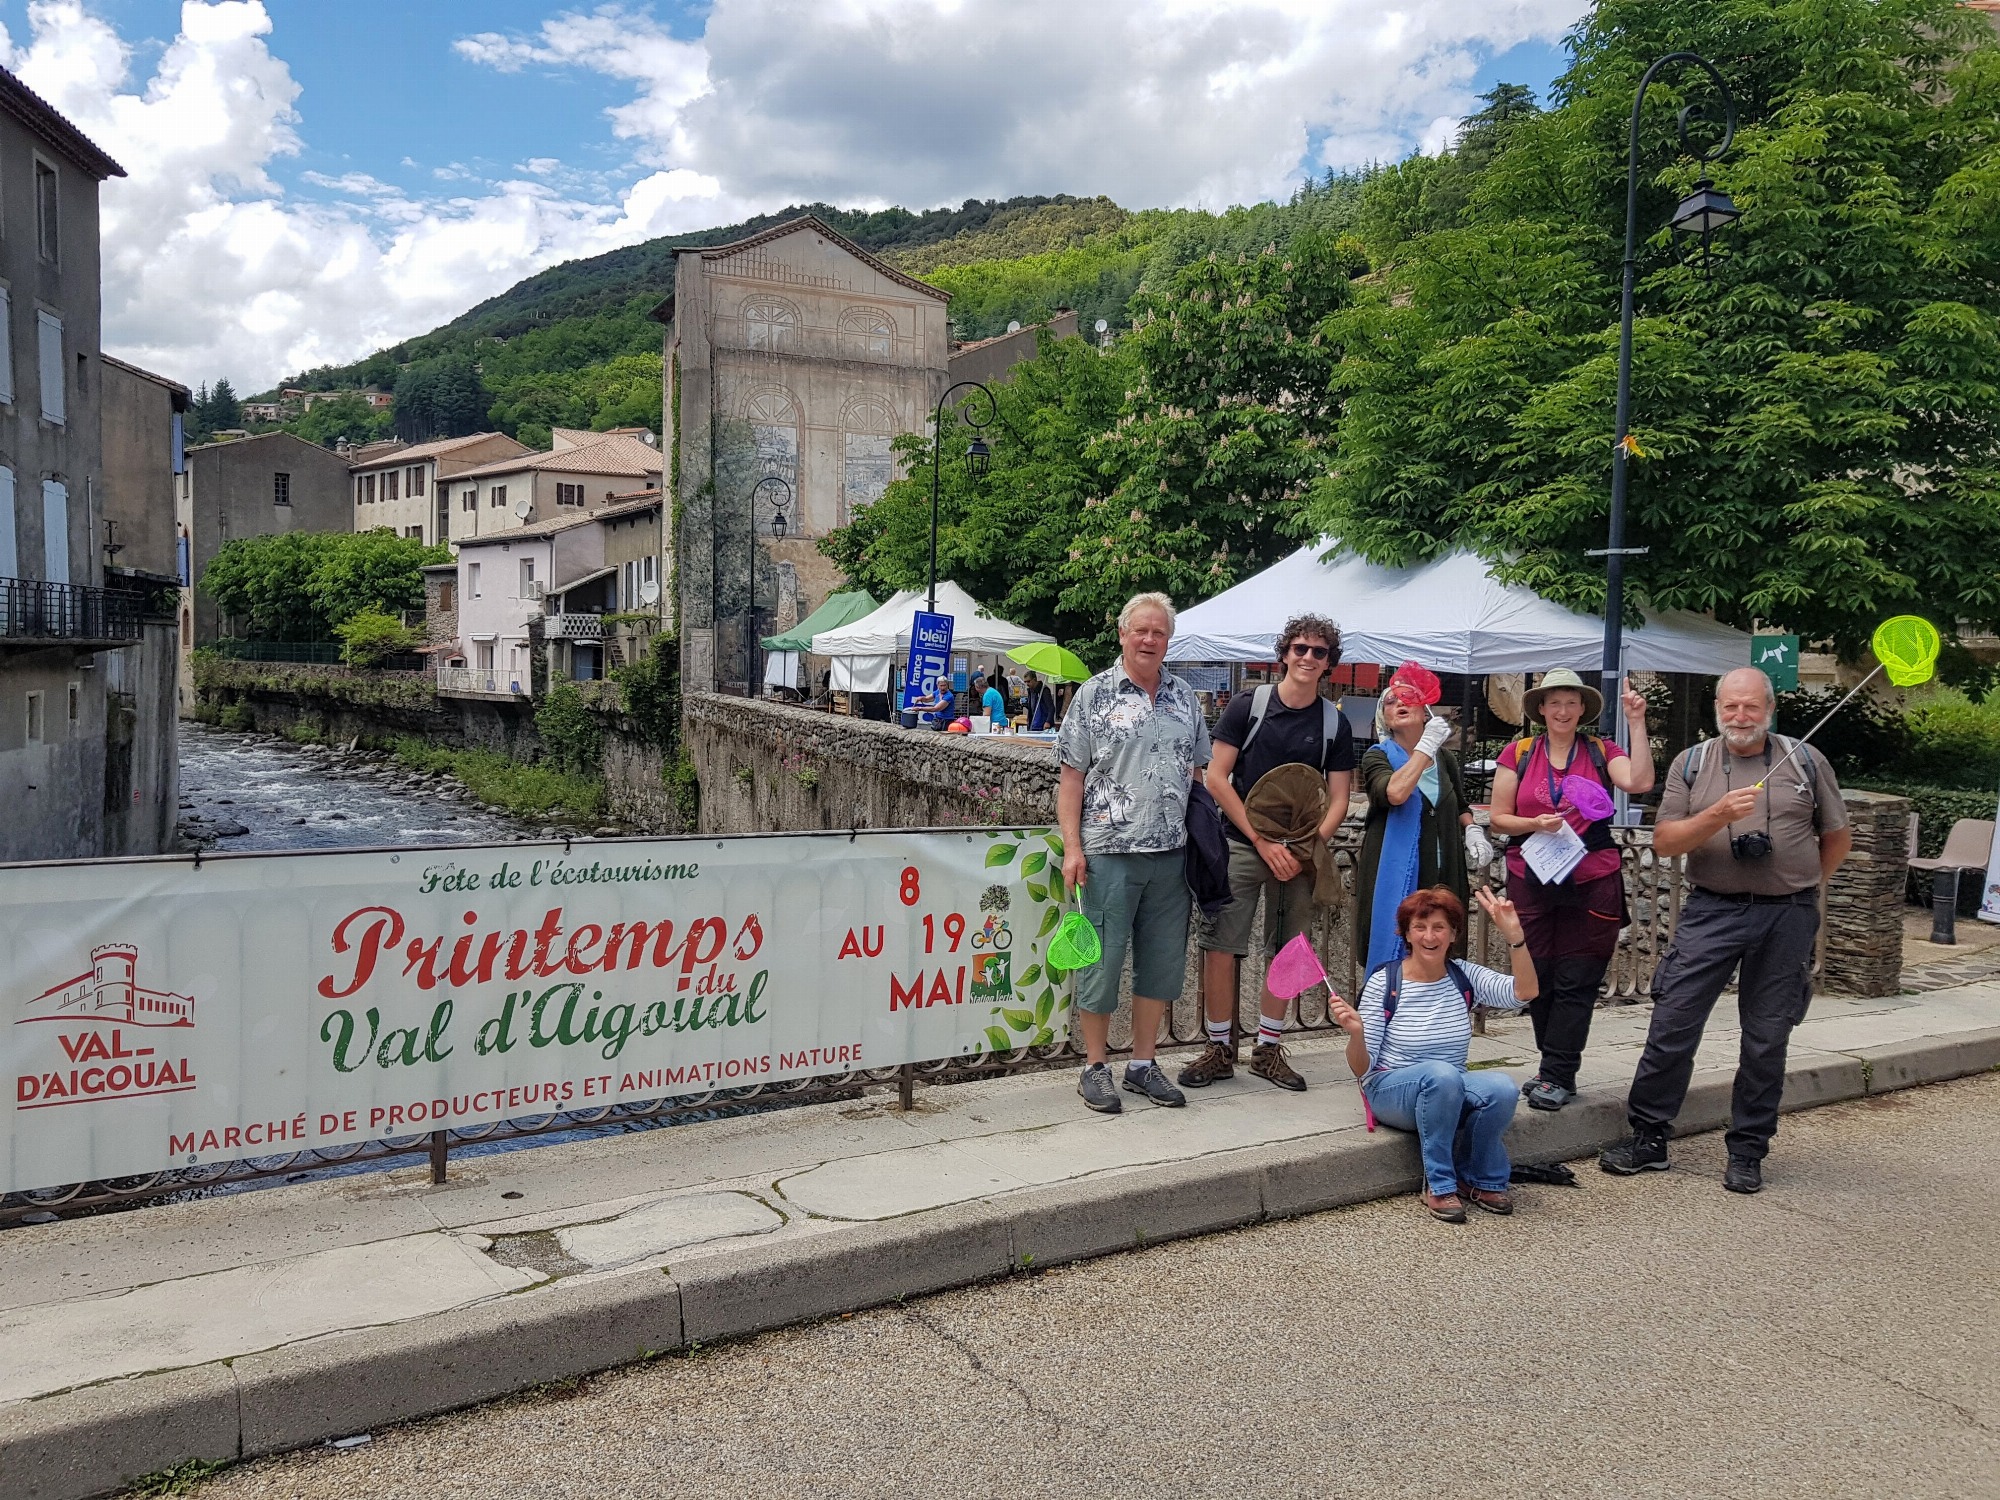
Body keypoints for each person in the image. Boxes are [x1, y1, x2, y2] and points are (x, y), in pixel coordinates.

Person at [1599, 668, 1851, 1194]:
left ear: (1770, 707)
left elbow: (1837, 838)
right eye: (1731, 707)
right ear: (1717, 707)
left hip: (1787, 916)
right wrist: (1716, 815)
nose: (1740, 717)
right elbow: (1666, 842)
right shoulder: (1693, 763)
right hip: (1713, 911)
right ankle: (1649, 1138)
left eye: (1751, 707)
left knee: (1766, 1038)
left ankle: (1748, 1151)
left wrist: (1800, 886)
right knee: (1673, 1023)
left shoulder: (1805, 759)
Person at [1180, 614, 1355, 1093]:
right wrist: (1261, 842)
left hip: (1298, 853)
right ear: (1284, 654)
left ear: (1328, 664)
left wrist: (1306, 847)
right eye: (1300, 648)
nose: (1308, 658)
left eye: (1319, 652)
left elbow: (1339, 797)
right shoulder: (1248, 705)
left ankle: (1269, 1049)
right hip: (1241, 844)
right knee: (1221, 945)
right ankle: (1219, 1048)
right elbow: (1217, 778)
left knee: (1289, 950)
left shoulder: (1332, 723)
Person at [1058, 592, 1211, 1115]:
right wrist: (1072, 847)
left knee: (1162, 965)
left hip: (1171, 855)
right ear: (1123, 635)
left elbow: (1199, 774)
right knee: (1101, 962)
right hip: (1108, 852)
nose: (1149, 640)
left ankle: (1143, 1065)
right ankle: (1094, 1067)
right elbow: (1071, 778)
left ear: (1168, 641)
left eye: (1159, 633)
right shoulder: (1094, 695)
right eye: (1141, 630)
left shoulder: (1185, 698)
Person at [1487, 668, 1655, 1111]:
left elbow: (1638, 782)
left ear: (1583, 709)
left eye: (1571, 702)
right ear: (1540, 709)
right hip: (1532, 877)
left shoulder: (1601, 751)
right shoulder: (1518, 752)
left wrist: (1636, 722)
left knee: (1576, 979)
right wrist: (1535, 823)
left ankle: (1559, 1073)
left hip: (1592, 878)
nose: (1562, 710)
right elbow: (1499, 818)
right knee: (1538, 976)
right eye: (1554, 702)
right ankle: (1552, 1069)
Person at [1329, 886, 1539, 1222]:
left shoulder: (1463, 975)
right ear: (1406, 935)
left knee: (1502, 1087)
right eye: (1420, 927)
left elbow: (1525, 992)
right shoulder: (1386, 981)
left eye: (1439, 927)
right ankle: (1439, 1184)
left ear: (1453, 933)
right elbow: (1360, 1068)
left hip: (1450, 1085)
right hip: (1389, 1089)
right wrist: (1356, 1035)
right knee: (1441, 1075)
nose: (1430, 936)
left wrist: (1515, 936)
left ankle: (1481, 1180)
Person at [1355, 668, 1480, 972]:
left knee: (1443, 953)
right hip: (1396, 874)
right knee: (1399, 952)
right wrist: (1426, 748)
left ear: (1424, 711)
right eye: (1390, 701)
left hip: (1444, 872)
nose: (1399, 703)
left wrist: (1472, 829)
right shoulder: (1377, 757)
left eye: (1408, 697)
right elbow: (1395, 793)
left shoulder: (1446, 759)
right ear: (1384, 718)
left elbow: (1460, 805)